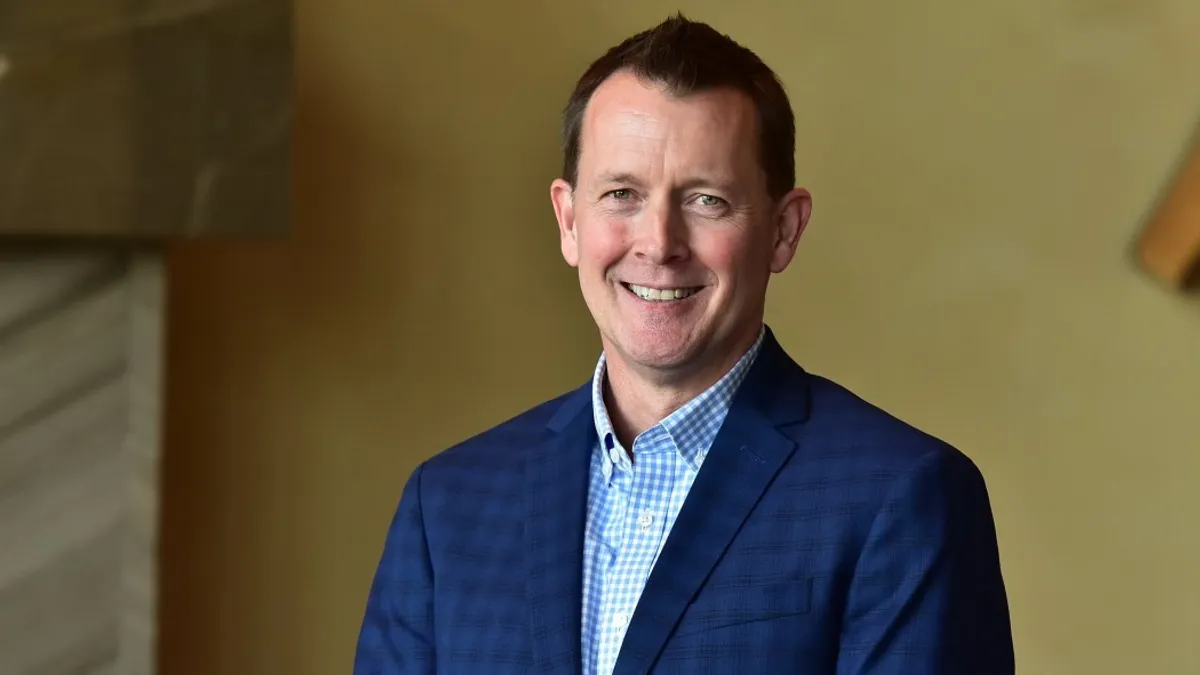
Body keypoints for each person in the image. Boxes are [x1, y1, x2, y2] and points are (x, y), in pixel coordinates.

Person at [354, 13, 1014, 675]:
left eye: (705, 200)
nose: (659, 243)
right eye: (621, 194)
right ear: (569, 220)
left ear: (784, 230)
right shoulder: (447, 507)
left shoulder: (901, 496)